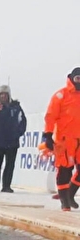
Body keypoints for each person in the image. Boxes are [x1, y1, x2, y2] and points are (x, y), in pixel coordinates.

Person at [43, 67, 80, 211]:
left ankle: (71, 194)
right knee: (64, 170)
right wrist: (48, 135)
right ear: (71, 78)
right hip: (65, 140)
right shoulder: (61, 95)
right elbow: (51, 116)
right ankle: (64, 200)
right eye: (77, 79)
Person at [0, 85, 27, 193]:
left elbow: (23, 121)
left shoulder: (16, 107)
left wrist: (18, 133)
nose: (3, 96)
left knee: (9, 165)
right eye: (1, 94)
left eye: (5, 94)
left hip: (12, 141)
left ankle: (6, 186)